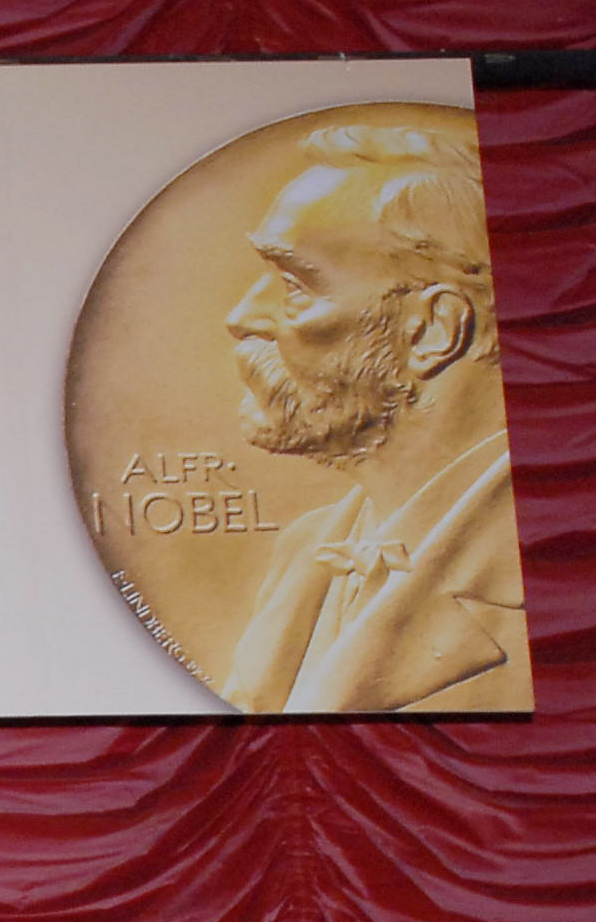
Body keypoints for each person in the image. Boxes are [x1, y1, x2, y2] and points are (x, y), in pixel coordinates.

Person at [216, 117, 527, 714]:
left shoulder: (526, 567)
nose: (242, 315)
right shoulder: (308, 549)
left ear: (433, 330)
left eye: (294, 284)